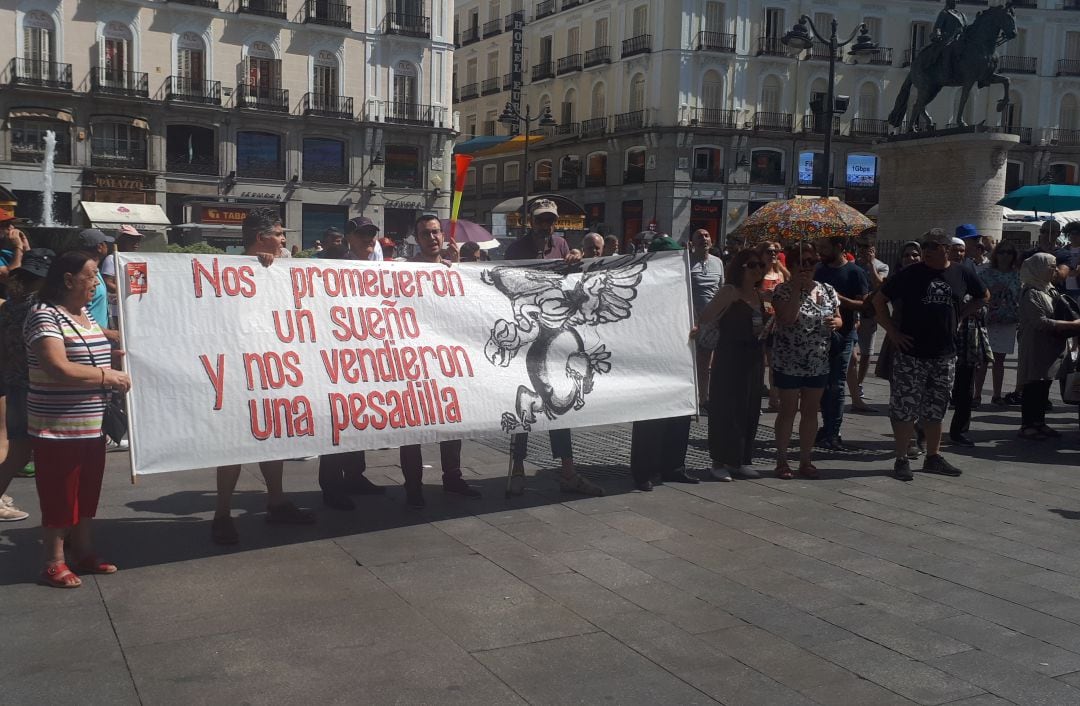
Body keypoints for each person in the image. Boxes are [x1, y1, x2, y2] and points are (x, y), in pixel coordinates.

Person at [24, 250, 132, 587]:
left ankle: (84, 550)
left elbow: (87, 351)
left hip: (91, 423)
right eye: (91, 275)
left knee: (87, 491)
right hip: (58, 426)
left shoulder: (82, 314)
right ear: (68, 279)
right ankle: (53, 560)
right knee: (59, 492)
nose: (97, 283)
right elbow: (57, 367)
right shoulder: (44, 316)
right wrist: (106, 377)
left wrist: (114, 357)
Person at [212, 208, 314, 545]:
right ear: (260, 238)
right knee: (234, 447)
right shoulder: (229, 272)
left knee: (274, 438)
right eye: (279, 234)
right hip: (241, 372)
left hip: (273, 368)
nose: (285, 240)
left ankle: (277, 500)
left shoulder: (280, 269)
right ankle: (222, 514)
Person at [503, 200, 603, 497]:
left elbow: (571, 285)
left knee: (562, 408)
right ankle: (518, 469)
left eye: (550, 220)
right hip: (526, 335)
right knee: (521, 402)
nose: (545, 225)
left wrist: (577, 257)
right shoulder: (515, 250)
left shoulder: (561, 244)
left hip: (556, 336)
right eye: (540, 220)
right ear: (530, 221)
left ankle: (568, 472)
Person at [874, 229, 986, 482]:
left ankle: (933, 456)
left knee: (936, 408)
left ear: (946, 248)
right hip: (911, 353)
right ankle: (902, 458)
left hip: (944, 355)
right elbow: (878, 301)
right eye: (925, 246)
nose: (926, 250)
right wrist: (892, 332)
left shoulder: (962, 272)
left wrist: (960, 315)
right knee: (904, 407)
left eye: (932, 246)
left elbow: (983, 297)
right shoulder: (909, 274)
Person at [398, 215, 481, 508]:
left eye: (436, 233)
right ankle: (413, 485)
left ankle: (453, 477)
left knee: (451, 421)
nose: (432, 237)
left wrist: (458, 270)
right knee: (411, 426)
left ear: (443, 238)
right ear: (416, 239)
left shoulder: (451, 270)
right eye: (425, 234)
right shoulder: (402, 269)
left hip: (445, 359)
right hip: (413, 360)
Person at [628, 236, 698, 490]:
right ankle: (644, 470)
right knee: (649, 416)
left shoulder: (680, 281)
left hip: (677, 352)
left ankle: (673, 466)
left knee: (679, 412)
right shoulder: (644, 281)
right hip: (650, 354)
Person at [693, 249, 767, 481]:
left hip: (753, 356)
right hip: (729, 356)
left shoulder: (758, 294)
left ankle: (741, 459)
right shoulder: (729, 290)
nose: (758, 269)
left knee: (749, 407)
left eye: (760, 266)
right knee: (727, 407)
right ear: (741, 267)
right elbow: (705, 316)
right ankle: (719, 460)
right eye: (752, 265)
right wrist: (727, 304)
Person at [770, 242, 841, 479]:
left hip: (818, 359)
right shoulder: (782, 291)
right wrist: (798, 290)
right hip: (789, 359)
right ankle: (782, 460)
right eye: (803, 262)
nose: (808, 267)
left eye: (812, 262)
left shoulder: (827, 290)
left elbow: (840, 318)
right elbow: (787, 318)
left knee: (811, 411)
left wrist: (836, 323)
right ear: (792, 265)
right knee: (788, 410)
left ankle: (805, 459)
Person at [0, 248, 54, 521]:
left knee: (19, 451)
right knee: (46, 454)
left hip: (15, 383)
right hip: (36, 385)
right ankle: (59, 518)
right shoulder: (40, 308)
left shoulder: (11, 303)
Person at [813, 235, 870, 450]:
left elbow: (864, 305)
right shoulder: (819, 269)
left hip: (844, 335)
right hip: (818, 334)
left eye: (824, 247)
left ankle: (833, 432)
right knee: (822, 384)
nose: (821, 252)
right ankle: (825, 427)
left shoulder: (855, 272)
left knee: (836, 384)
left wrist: (839, 298)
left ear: (839, 247)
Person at [1017, 253, 1080, 439]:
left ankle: (1039, 422)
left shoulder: (1050, 289)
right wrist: (1071, 325)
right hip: (1036, 344)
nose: (1054, 270)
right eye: (1051, 266)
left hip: (1052, 345)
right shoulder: (1031, 292)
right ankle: (1027, 425)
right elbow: (1040, 322)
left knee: (1045, 384)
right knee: (1033, 384)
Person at [946, 236, 990, 445]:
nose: (959, 254)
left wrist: (964, 313)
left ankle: (960, 429)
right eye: (954, 250)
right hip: (942, 335)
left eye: (962, 250)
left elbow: (984, 299)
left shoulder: (968, 273)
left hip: (966, 336)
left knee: (965, 385)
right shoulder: (940, 273)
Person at [975, 242, 1022, 406]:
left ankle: (996, 395)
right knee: (982, 360)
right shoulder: (986, 273)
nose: (1005, 255)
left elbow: (1020, 298)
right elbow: (978, 295)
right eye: (1002, 252)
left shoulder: (1018, 275)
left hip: (1008, 321)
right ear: (996, 254)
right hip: (988, 319)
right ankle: (977, 395)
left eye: (1009, 252)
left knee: (999, 360)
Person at [849, 236, 889, 411]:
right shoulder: (853, 265)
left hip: (869, 312)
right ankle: (851, 382)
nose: (864, 250)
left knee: (866, 352)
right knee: (852, 353)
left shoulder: (882, 266)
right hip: (853, 310)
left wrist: (871, 264)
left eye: (868, 248)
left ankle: (858, 383)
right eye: (861, 247)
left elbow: (879, 284)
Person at [689, 228, 724, 409]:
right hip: (692, 321)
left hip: (713, 322)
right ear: (692, 242)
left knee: (707, 363)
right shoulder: (686, 262)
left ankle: (704, 398)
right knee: (694, 362)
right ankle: (695, 398)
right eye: (700, 236)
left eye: (707, 235)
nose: (704, 238)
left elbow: (722, 289)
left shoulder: (718, 263)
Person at [759, 241, 789, 411]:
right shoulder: (757, 273)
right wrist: (763, 294)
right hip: (760, 320)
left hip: (776, 321)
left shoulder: (780, 273)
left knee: (774, 362)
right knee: (759, 362)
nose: (773, 254)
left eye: (776, 251)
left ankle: (774, 399)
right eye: (769, 251)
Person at [100, 225, 144, 329]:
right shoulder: (111, 259)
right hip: (117, 309)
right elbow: (107, 282)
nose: (136, 243)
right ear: (121, 240)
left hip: (135, 307)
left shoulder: (136, 259)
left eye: (138, 239)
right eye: (132, 239)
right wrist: (126, 292)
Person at [75, 229, 114, 336]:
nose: (108, 246)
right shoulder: (86, 274)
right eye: (106, 244)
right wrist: (108, 333)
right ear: (100, 247)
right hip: (90, 336)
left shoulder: (95, 270)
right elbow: (77, 312)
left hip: (97, 336)